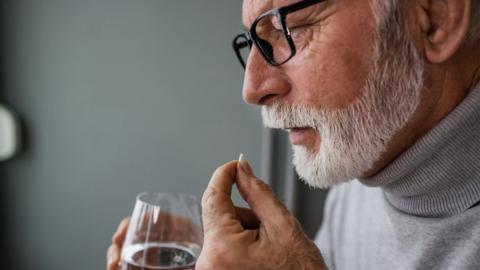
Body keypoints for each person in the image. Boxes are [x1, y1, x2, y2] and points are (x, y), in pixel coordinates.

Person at [107, 0, 480, 269]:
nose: (252, 89)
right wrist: (215, 252)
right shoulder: (361, 173)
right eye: (254, 43)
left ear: (435, 16)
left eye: (291, 29)